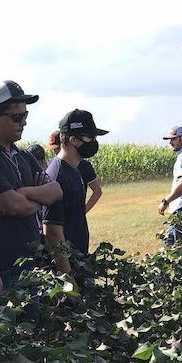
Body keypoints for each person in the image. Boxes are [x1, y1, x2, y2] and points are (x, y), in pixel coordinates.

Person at [0, 81, 62, 289]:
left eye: (25, 115)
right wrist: (38, 197)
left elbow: (56, 191)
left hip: (33, 261)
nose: (24, 122)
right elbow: (12, 205)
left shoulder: (21, 154)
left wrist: (23, 192)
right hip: (6, 268)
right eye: (17, 117)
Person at [43, 110, 109, 273]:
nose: (93, 142)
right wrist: (68, 277)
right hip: (68, 269)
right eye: (90, 138)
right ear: (73, 140)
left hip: (78, 259)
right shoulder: (57, 176)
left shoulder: (73, 169)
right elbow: (52, 233)